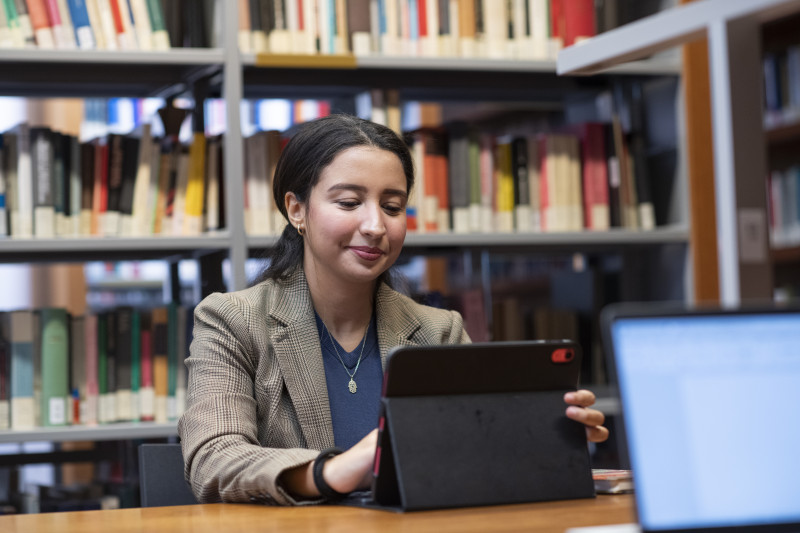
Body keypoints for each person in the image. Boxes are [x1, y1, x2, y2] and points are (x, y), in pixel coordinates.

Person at [178, 114, 608, 506]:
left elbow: (473, 459)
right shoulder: (232, 321)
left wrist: (541, 438)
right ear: (296, 210)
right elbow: (215, 459)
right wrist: (331, 471)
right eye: (349, 203)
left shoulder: (438, 331)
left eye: (393, 206)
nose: (375, 226)